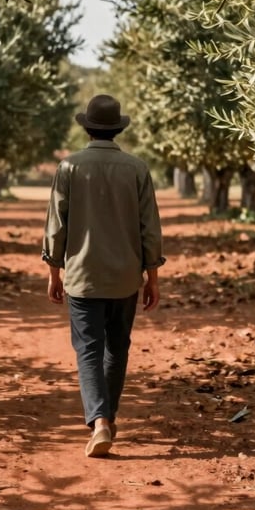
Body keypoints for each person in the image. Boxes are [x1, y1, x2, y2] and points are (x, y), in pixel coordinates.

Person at [42, 94, 165, 457]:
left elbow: (56, 226)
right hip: (126, 277)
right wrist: (153, 277)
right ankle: (107, 419)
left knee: (89, 351)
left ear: (87, 127)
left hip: (82, 276)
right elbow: (150, 229)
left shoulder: (69, 168)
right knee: (117, 347)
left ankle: (99, 422)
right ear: (117, 129)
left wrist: (54, 271)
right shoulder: (137, 168)